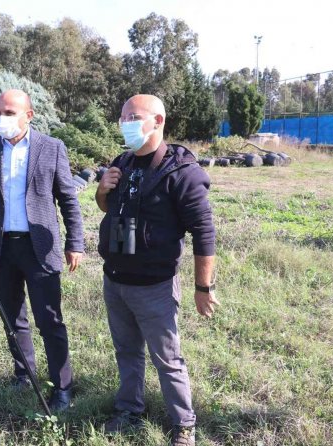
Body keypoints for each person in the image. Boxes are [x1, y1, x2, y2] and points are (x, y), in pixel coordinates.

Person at [95, 94, 218, 446]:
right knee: (127, 351)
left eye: (133, 116)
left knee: (167, 359)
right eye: (122, 117)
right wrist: (102, 190)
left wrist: (203, 287)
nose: (125, 123)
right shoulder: (123, 162)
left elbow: (204, 232)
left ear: (158, 121)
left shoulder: (181, 172)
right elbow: (107, 207)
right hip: (115, 278)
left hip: (154, 286)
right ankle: (128, 409)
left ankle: (183, 425)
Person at [0, 89, 84, 411]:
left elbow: (67, 198)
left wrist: (75, 242)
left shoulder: (51, 148)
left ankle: (62, 387)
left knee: (49, 320)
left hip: (38, 247)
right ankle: (24, 374)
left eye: (9, 112)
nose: (1, 118)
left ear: (29, 115)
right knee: (13, 319)